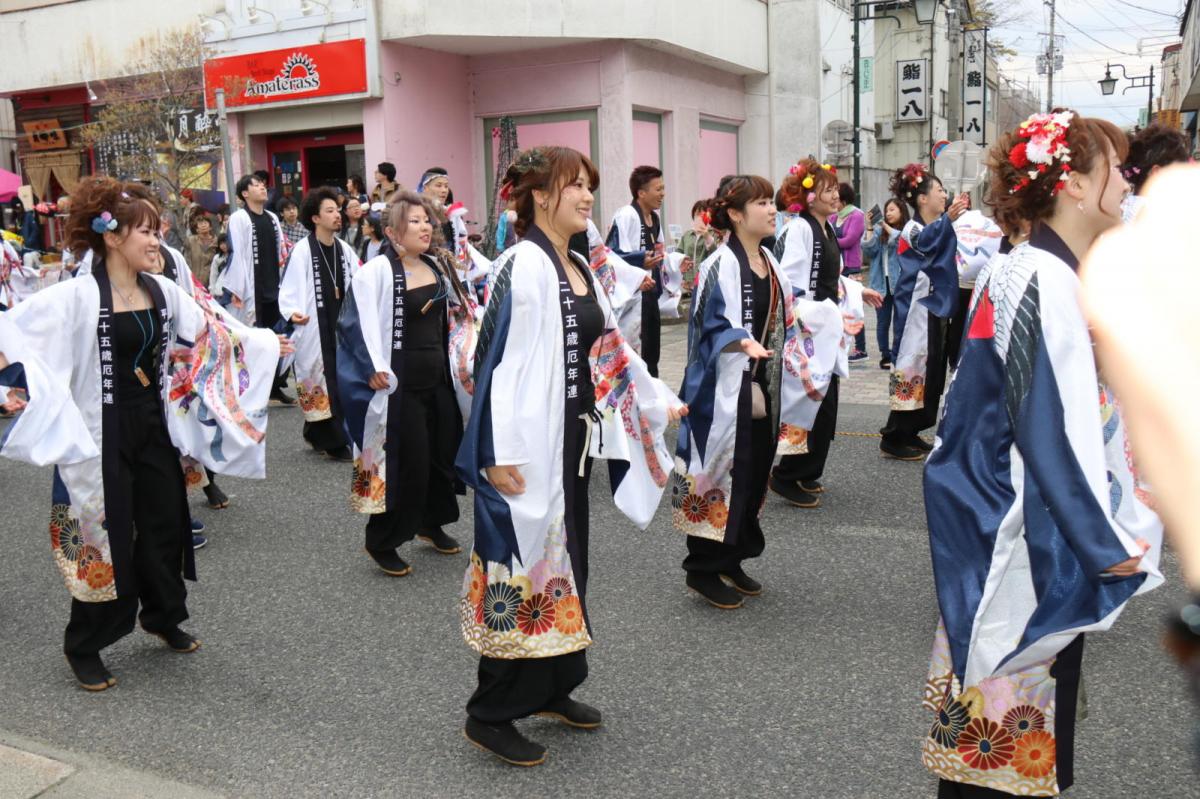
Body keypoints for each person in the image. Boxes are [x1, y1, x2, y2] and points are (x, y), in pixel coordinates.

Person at [922, 110, 1162, 798]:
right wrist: (1099, 540)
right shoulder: (1038, 277)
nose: (1128, 180)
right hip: (1020, 532)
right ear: (1076, 185)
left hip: (1029, 520)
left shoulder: (1047, 272)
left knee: (1013, 712)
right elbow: (1040, 422)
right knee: (1005, 714)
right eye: (1116, 167)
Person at [0, 177, 289, 691]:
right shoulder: (76, 295)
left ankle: (162, 616)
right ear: (112, 237)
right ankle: (85, 644)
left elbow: (213, 325)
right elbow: (13, 331)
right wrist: (15, 385)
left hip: (153, 426)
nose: (157, 241)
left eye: (158, 231)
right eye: (146, 232)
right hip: (100, 433)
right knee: (104, 535)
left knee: (163, 522)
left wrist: (264, 344)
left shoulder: (161, 288)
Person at [455, 146, 684, 766]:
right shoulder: (518, 265)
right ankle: (491, 712)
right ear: (536, 197)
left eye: (589, 185)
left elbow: (611, 350)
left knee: (567, 565)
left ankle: (555, 683)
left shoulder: (577, 261)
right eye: (574, 186)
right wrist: (494, 453)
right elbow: (489, 362)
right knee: (523, 567)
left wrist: (657, 399)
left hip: (571, 444)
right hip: (527, 449)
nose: (586, 196)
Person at [673, 174, 826, 607]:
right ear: (736, 214)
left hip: (759, 382)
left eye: (769, 201)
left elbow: (792, 308)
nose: (770, 208)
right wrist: (738, 339)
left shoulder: (769, 261)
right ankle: (702, 567)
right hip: (723, 387)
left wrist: (839, 310)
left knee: (754, 470)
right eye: (760, 202)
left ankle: (733, 554)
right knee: (720, 472)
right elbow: (705, 327)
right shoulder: (717, 265)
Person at [337, 190, 472, 576]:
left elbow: (462, 317)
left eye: (427, 219)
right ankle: (382, 540)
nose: (425, 226)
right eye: (415, 221)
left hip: (438, 378)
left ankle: (432, 522)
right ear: (394, 231)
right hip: (400, 385)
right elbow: (352, 324)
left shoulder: (437, 265)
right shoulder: (376, 272)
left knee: (440, 453)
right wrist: (370, 367)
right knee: (406, 462)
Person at [768, 159, 879, 508]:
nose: (835, 195)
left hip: (823, 326)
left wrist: (860, 292)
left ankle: (805, 470)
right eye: (828, 190)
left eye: (835, 189)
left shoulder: (826, 228)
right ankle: (786, 474)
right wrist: (809, 319)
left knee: (825, 403)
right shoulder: (799, 229)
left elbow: (831, 278)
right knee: (810, 401)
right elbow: (792, 284)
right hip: (808, 328)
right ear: (810, 196)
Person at [878, 164, 968, 461]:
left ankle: (913, 429)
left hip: (933, 306)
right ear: (922, 199)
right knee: (911, 365)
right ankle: (894, 436)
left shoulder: (935, 224)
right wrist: (948, 221)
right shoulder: (912, 229)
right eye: (939, 190)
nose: (944, 195)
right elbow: (927, 243)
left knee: (932, 368)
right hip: (915, 310)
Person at [279, 187, 360, 462]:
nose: (338, 215)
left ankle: (317, 430)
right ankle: (332, 440)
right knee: (317, 376)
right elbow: (288, 289)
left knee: (339, 377)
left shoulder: (344, 249)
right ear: (315, 218)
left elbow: (360, 281)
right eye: (330, 211)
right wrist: (292, 313)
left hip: (340, 323)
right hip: (313, 326)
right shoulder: (302, 251)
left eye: (338, 210)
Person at [222, 173, 295, 405]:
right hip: (252, 291)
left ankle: (274, 387)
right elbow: (236, 255)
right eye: (256, 185)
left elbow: (282, 253)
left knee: (277, 339)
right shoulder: (239, 218)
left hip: (274, 287)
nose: (262, 187)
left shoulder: (273, 218)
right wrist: (236, 289)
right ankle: (252, 391)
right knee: (253, 342)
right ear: (245, 193)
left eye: (262, 184)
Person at [607, 165, 668, 376]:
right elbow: (611, 255)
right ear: (641, 193)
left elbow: (660, 252)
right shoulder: (627, 215)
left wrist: (676, 262)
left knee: (651, 353)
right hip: (632, 298)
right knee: (632, 354)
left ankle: (652, 401)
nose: (662, 194)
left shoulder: (655, 219)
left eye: (663, 188)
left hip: (649, 295)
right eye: (658, 189)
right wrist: (640, 261)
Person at [861, 198, 908, 369]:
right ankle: (885, 355)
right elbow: (868, 249)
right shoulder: (879, 231)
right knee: (882, 322)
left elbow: (901, 239)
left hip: (900, 283)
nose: (888, 213)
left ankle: (897, 353)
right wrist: (870, 227)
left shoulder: (906, 230)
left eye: (892, 209)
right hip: (880, 283)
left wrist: (884, 225)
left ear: (901, 211)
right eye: (886, 210)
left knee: (899, 320)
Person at [834, 183, 868, 361]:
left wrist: (830, 242)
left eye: (836, 196)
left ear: (843, 199)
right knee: (838, 307)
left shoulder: (857, 215)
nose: (833, 199)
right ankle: (840, 344)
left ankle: (861, 349)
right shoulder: (834, 216)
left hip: (851, 266)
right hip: (835, 267)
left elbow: (849, 240)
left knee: (854, 306)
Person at [675, 200, 722, 294]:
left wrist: (706, 235)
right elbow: (678, 255)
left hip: (705, 283)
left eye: (703, 214)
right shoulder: (687, 235)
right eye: (697, 214)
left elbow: (715, 254)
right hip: (687, 284)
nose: (700, 217)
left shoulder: (714, 234)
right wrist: (680, 276)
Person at [184, 214, 217, 287]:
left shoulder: (216, 243)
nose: (203, 225)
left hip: (211, 284)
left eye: (205, 223)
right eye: (200, 224)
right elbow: (187, 262)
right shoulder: (191, 241)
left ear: (210, 227)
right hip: (194, 282)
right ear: (197, 229)